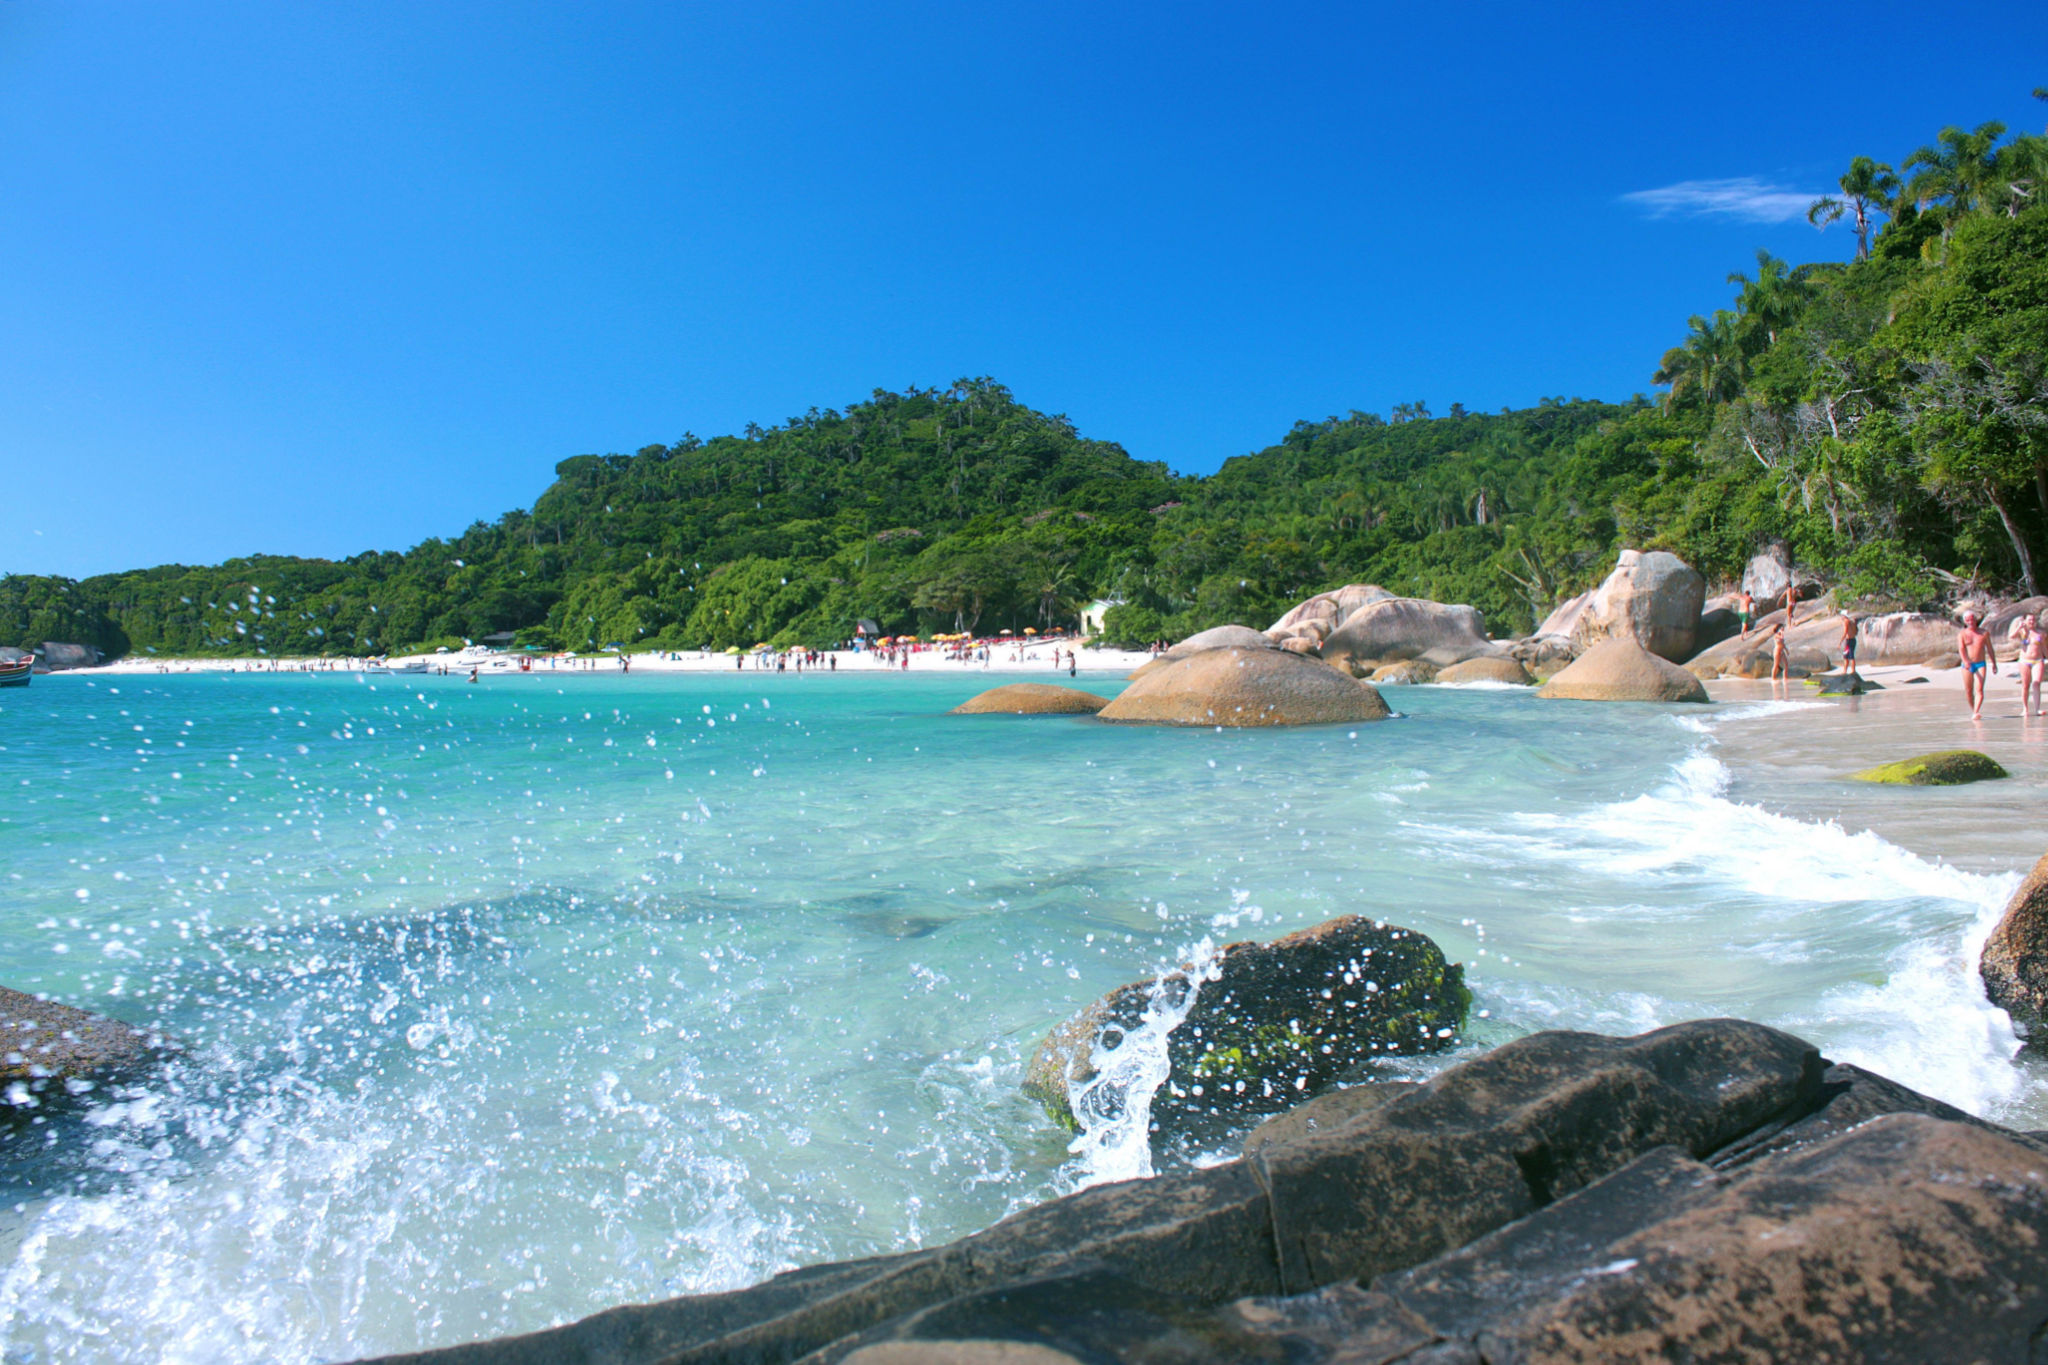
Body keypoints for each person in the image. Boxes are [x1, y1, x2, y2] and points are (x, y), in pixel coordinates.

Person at [1958, 611, 1997, 720]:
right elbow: (1961, 649)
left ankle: (1976, 711)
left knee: (1979, 689)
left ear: (1976, 619)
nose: (1971, 622)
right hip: (1967, 665)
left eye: (1972, 619)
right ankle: (1974, 710)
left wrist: (1994, 663)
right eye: (1968, 620)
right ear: (1965, 621)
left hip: (1981, 664)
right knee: (1969, 691)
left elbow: (1990, 649)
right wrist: (1965, 661)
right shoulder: (1962, 634)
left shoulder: (1984, 633)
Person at [2020, 613, 2046, 719]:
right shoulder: (2022, 632)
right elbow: (2011, 636)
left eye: (2033, 620)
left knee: (2036, 683)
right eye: (2029, 620)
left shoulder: (2040, 634)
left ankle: (2037, 709)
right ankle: (2025, 708)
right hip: (2025, 660)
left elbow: (2044, 648)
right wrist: (2019, 627)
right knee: (2025, 685)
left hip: (2038, 660)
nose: (2031, 622)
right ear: (2025, 621)